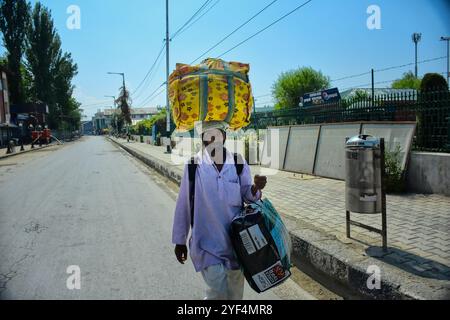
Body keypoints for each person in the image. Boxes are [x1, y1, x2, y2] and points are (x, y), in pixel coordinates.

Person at [172, 121, 267, 300]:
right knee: (217, 293)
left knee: (235, 295)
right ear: (202, 139)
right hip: (206, 244)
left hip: (237, 245)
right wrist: (179, 240)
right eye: (208, 136)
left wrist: (255, 188)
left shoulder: (238, 162)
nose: (212, 140)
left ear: (224, 137)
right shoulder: (194, 165)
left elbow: (247, 194)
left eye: (217, 135)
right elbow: (184, 203)